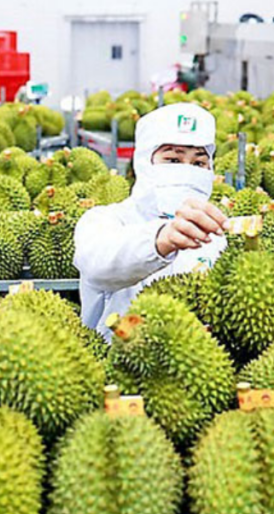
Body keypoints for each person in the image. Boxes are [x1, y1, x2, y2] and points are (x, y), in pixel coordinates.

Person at [73, 102, 228, 339]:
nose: (187, 172)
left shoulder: (216, 236)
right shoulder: (103, 221)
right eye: (173, 160)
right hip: (113, 358)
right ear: (145, 162)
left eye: (199, 163)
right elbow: (97, 262)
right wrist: (161, 240)